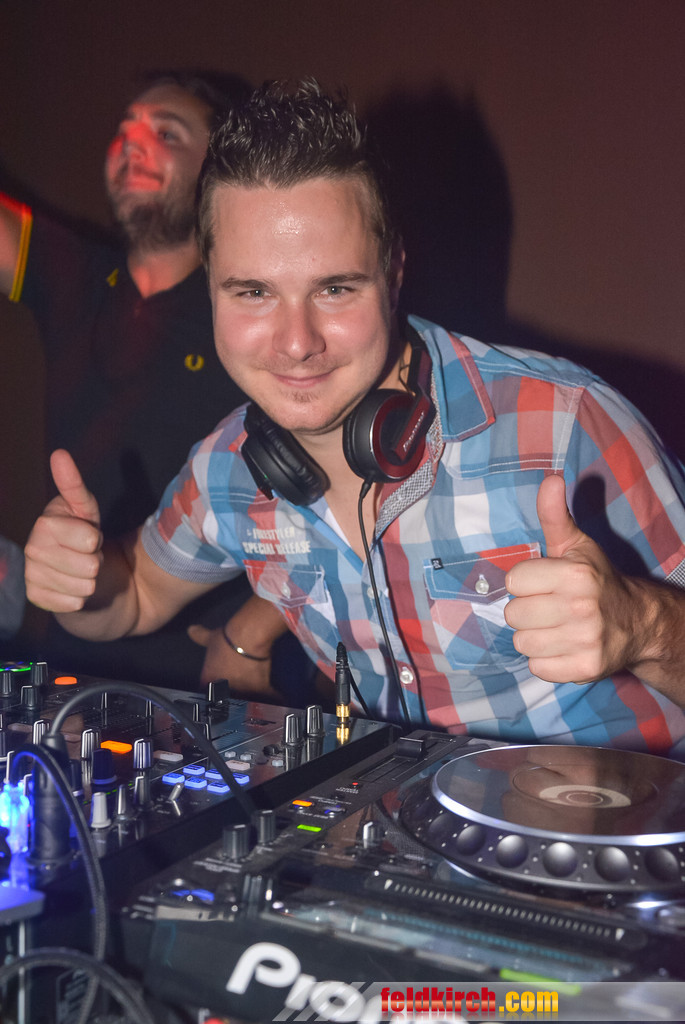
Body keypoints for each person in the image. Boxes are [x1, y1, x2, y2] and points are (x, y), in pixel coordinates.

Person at [23, 81, 685, 758]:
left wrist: (644, 626)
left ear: (393, 275)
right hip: (399, 818)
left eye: (335, 288)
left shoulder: (563, 422)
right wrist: (82, 585)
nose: (296, 342)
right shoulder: (228, 469)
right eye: (253, 292)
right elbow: (134, 597)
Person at [0, 71, 299, 698]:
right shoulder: (77, 274)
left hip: (213, 671)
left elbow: (336, 498)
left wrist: (253, 631)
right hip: (77, 647)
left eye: (166, 133)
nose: (133, 143)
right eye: (125, 130)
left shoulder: (252, 307)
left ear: (218, 166)